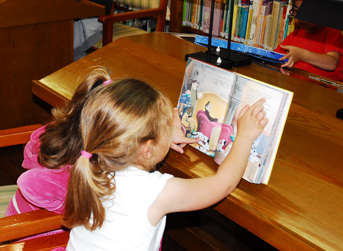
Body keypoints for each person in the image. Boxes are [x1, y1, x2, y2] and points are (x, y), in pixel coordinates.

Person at [61, 77, 268, 251]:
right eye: (167, 126)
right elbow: (224, 184)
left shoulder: (93, 162)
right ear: (147, 148)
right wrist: (245, 137)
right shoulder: (156, 191)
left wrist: (159, 141)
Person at [5, 68, 192, 219]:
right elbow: (30, 183)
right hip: (41, 240)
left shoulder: (69, 135)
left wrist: (164, 134)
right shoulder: (85, 177)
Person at [274, 0, 343, 83]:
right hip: (298, 86)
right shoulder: (295, 35)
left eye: (308, 11)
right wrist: (258, 52)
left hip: (325, 90)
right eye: (296, 10)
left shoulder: (332, 33)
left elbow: (331, 63)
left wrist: (302, 54)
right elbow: (276, 58)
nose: (300, 17)